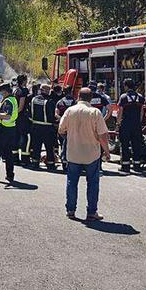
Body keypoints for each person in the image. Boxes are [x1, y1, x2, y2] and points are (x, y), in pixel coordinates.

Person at [58, 87, 110, 221]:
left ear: (78, 97)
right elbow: (103, 136)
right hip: (91, 154)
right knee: (93, 183)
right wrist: (107, 152)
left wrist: (70, 137)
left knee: (72, 182)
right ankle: (92, 212)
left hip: (73, 153)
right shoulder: (95, 112)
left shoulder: (70, 111)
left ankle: (70, 210)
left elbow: (61, 129)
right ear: (91, 98)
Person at [0, 83, 18, 183]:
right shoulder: (11, 99)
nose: (0, 94)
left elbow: (7, 115)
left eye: (1, 92)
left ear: (4, 91)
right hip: (10, 128)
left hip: (3, 129)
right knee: (8, 153)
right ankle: (10, 175)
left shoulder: (8, 101)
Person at [117, 78, 146, 173]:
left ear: (126, 86)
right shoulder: (140, 97)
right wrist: (139, 122)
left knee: (124, 145)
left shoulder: (123, 97)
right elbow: (142, 111)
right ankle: (137, 165)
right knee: (136, 145)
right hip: (136, 124)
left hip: (125, 124)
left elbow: (120, 111)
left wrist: (118, 123)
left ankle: (125, 166)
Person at [29, 84, 58, 170]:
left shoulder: (34, 99)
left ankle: (35, 162)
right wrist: (55, 123)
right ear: (46, 90)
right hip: (47, 127)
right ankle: (50, 164)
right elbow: (51, 115)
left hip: (35, 126)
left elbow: (29, 112)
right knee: (49, 146)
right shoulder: (49, 101)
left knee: (36, 146)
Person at [55, 85, 77, 171]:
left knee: (63, 144)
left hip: (62, 127)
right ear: (71, 92)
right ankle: (72, 162)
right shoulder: (76, 102)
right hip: (73, 128)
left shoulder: (60, 102)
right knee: (72, 146)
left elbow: (56, 114)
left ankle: (64, 162)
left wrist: (63, 120)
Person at [14, 75, 31, 164]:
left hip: (15, 117)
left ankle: (14, 158)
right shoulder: (23, 91)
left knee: (15, 137)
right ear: (24, 81)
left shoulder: (15, 90)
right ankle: (25, 159)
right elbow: (21, 106)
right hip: (22, 117)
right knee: (25, 137)